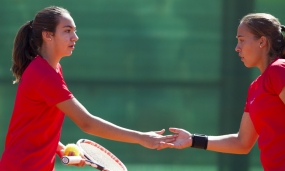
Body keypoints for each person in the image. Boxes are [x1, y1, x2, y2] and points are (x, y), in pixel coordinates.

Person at [0, 6, 176, 171]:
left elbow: (34, 126)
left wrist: (60, 149)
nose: (75, 37)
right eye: (67, 31)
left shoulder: (52, 69)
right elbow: (87, 123)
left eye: (74, 30)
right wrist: (142, 138)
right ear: (48, 35)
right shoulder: (44, 75)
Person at [159, 13, 285, 171]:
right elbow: (242, 143)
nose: (237, 47)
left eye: (241, 40)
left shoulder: (278, 70)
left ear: (262, 41)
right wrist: (192, 140)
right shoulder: (255, 87)